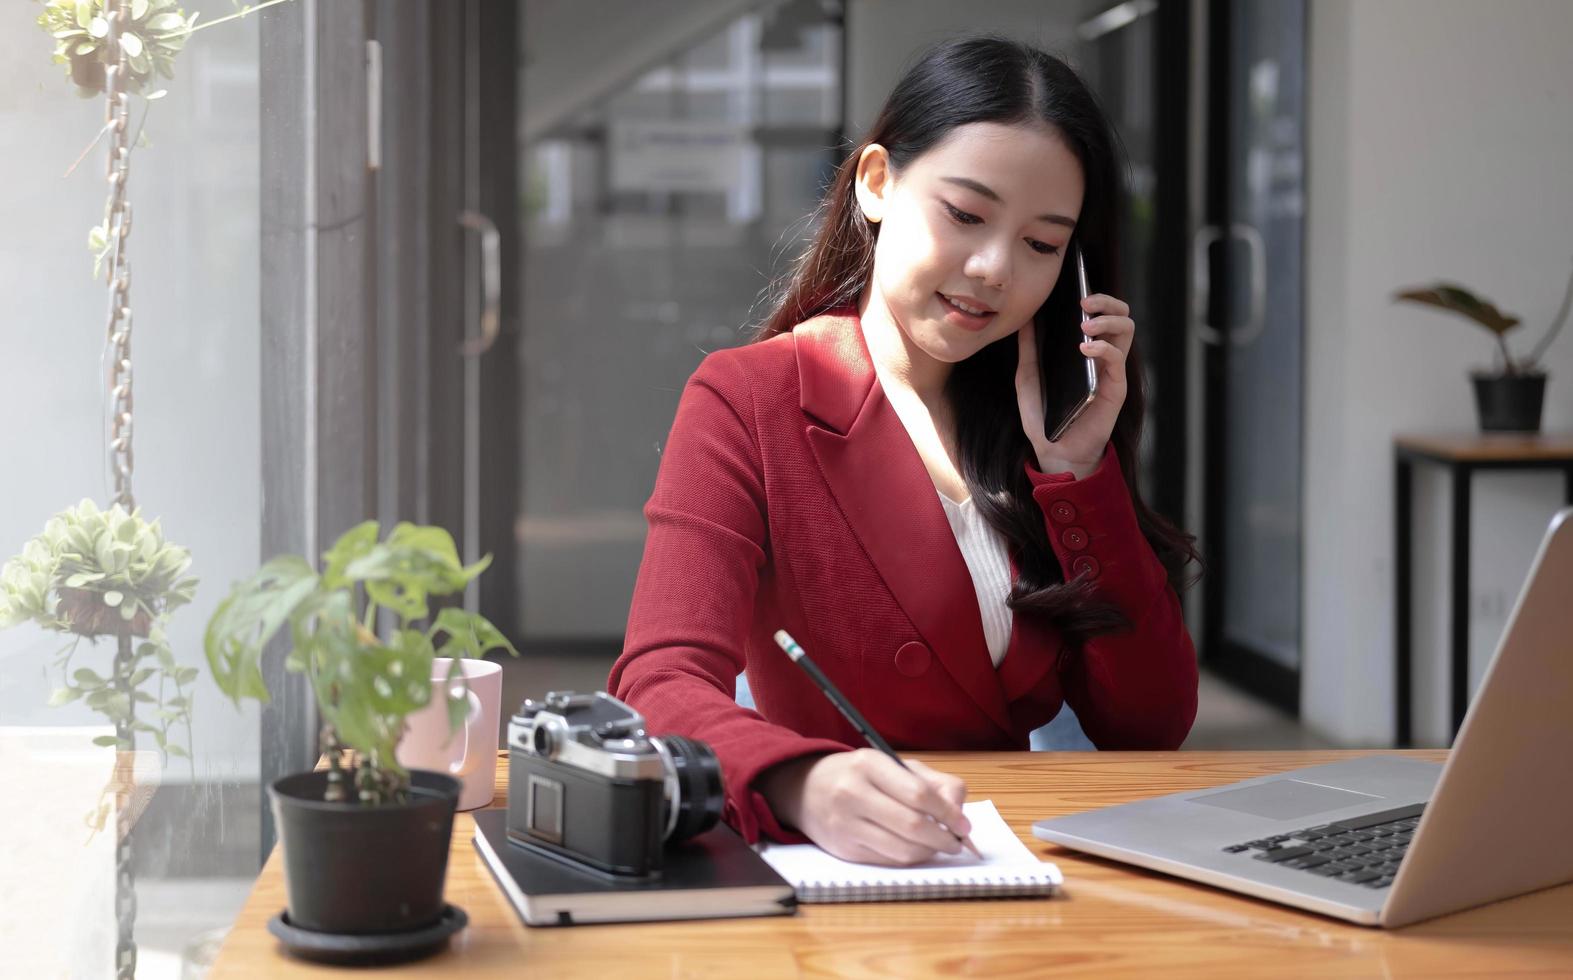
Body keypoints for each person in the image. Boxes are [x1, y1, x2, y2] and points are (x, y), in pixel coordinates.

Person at [609, 35, 1200, 867]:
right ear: (877, 183)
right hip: (831, 862)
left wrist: (1079, 479)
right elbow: (658, 681)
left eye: (1040, 245)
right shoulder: (749, 398)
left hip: (1005, 855)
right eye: (964, 215)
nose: (994, 268)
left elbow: (1149, 727)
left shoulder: (1038, 424)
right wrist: (798, 782)